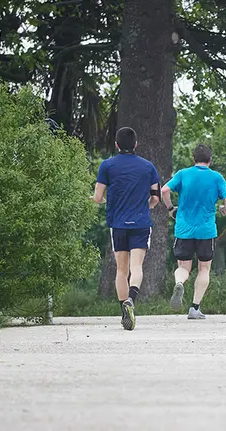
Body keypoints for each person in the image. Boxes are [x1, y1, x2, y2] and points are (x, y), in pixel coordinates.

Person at [92, 127, 160, 331]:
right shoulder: (148, 167)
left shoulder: (107, 166)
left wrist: (105, 201)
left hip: (118, 224)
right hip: (141, 223)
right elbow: (155, 197)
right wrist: (146, 206)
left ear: (116, 145)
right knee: (136, 267)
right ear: (136, 144)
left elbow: (97, 197)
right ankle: (132, 299)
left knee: (121, 270)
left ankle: (124, 311)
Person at [161, 144, 226, 319]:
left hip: (184, 230)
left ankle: (179, 282)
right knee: (204, 268)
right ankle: (194, 308)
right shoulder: (216, 177)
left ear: (193, 159)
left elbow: (164, 190)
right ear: (210, 160)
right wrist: (224, 209)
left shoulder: (183, 174)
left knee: (183, 267)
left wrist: (170, 208)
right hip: (206, 231)